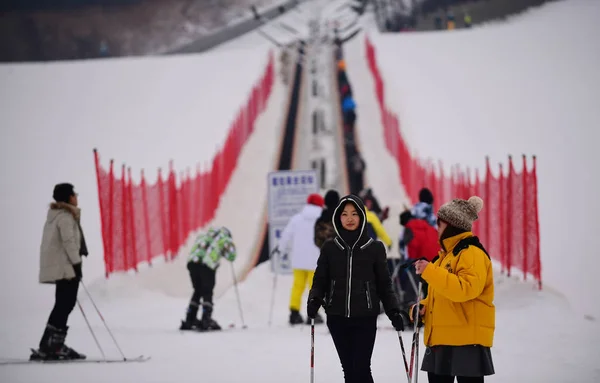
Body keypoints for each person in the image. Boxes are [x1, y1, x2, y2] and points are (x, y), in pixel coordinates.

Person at [307, 194, 405, 383]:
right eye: (344, 214)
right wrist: (315, 299)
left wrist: (394, 311)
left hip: (365, 317)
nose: (349, 218)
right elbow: (320, 280)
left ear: (361, 216)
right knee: (349, 370)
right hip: (337, 318)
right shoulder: (330, 248)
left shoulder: (374, 248)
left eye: (354, 214)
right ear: (338, 217)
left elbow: (385, 284)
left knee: (361, 368)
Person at [411, 196, 495, 382]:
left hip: (465, 342)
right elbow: (442, 293)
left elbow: (465, 289)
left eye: (439, 225)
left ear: (451, 226)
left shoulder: (471, 253)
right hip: (443, 339)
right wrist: (422, 307)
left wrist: (430, 271)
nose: (436, 229)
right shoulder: (445, 256)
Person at [31, 183, 88, 361]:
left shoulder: (56, 215)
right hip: (66, 269)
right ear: (69, 197)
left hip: (62, 268)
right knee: (65, 305)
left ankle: (49, 344)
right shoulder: (65, 217)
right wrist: (77, 264)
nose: (77, 197)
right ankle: (53, 345)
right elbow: (69, 242)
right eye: (74, 194)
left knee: (62, 305)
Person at [278, 193, 325, 325]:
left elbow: (286, 235)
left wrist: (281, 249)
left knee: (297, 286)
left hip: (298, 260)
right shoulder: (322, 220)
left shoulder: (296, 219)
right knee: (314, 288)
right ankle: (313, 314)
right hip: (315, 260)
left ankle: (294, 313)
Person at [180, 226, 237, 331]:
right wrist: (229, 254)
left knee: (197, 290)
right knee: (207, 291)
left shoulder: (204, 235)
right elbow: (232, 255)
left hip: (192, 263)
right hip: (207, 265)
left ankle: (190, 317)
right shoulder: (224, 237)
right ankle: (206, 318)